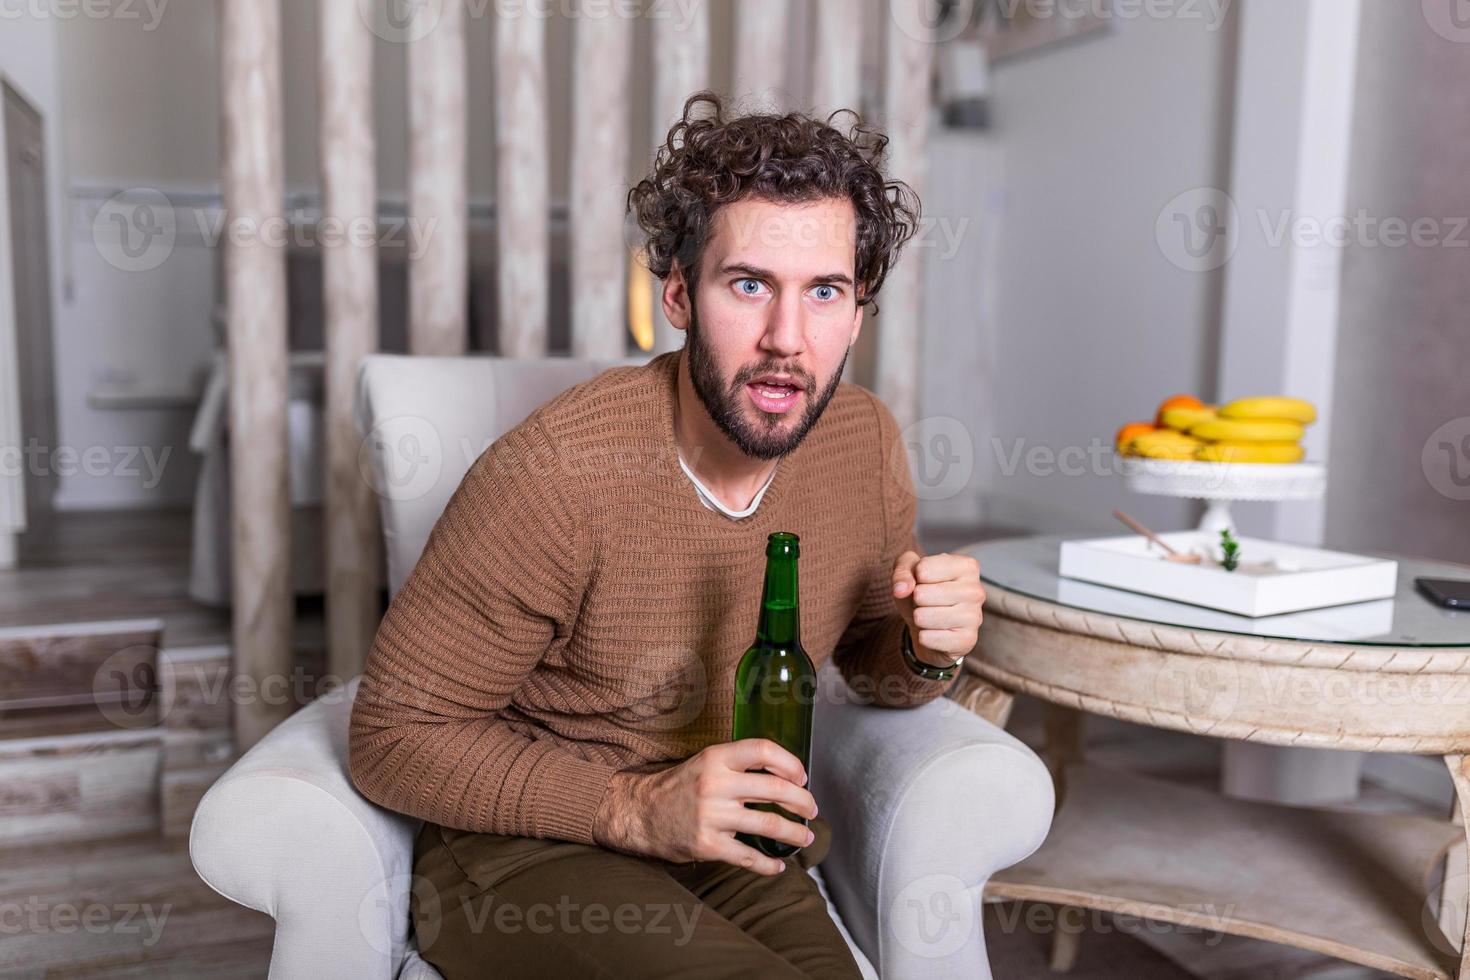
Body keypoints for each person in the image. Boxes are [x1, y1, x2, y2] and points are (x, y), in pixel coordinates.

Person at [348, 90, 987, 979]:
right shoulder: (554, 474)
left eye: (825, 292)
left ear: (858, 309)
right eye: (750, 284)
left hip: (728, 839)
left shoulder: (863, 442)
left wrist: (925, 648)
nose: (786, 341)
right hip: (521, 849)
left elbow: (869, 666)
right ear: (681, 294)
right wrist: (634, 807)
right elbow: (391, 735)